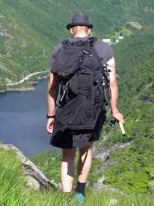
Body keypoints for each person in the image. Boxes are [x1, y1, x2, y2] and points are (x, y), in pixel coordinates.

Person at [46, 13, 124, 202]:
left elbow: (53, 87)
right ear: (89, 29)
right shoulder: (103, 48)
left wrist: (50, 115)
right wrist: (114, 110)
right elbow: (112, 83)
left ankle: (66, 198)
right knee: (86, 150)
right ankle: (80, 192)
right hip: (93, 110)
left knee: (67, 155)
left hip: (66, 111)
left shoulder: (60, 50)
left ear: (72, 30)